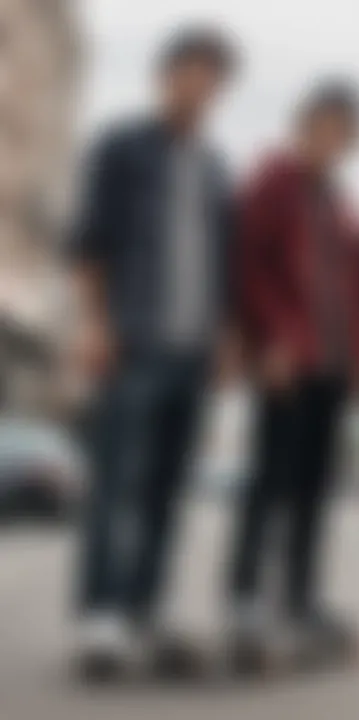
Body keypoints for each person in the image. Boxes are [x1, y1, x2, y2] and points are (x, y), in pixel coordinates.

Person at [71, 26, 239, 679]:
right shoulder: (121, 147)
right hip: (133, 340)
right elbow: (90, 242)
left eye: (212, 76)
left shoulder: (217, 166)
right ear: (164, 76)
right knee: (117, 485)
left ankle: (145, 610)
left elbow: (222, 264)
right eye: (189, 70)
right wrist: (93, 323)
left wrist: (226, 338)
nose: (199, 85)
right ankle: (102, 616)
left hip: (193, 350)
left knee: (171, 489)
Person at [227, 79, 359, 669]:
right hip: (287, 360)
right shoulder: (273, 180)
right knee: (270, 484)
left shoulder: (339, 200)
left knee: (314, 489)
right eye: (326, 126)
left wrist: (356, 356)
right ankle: (245, 601)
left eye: (345, 133)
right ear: (305, 125)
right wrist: (268, 340)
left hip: (331, 365)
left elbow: (349, 285)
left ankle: (301, 600)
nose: (334, 140)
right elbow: (247, 265)